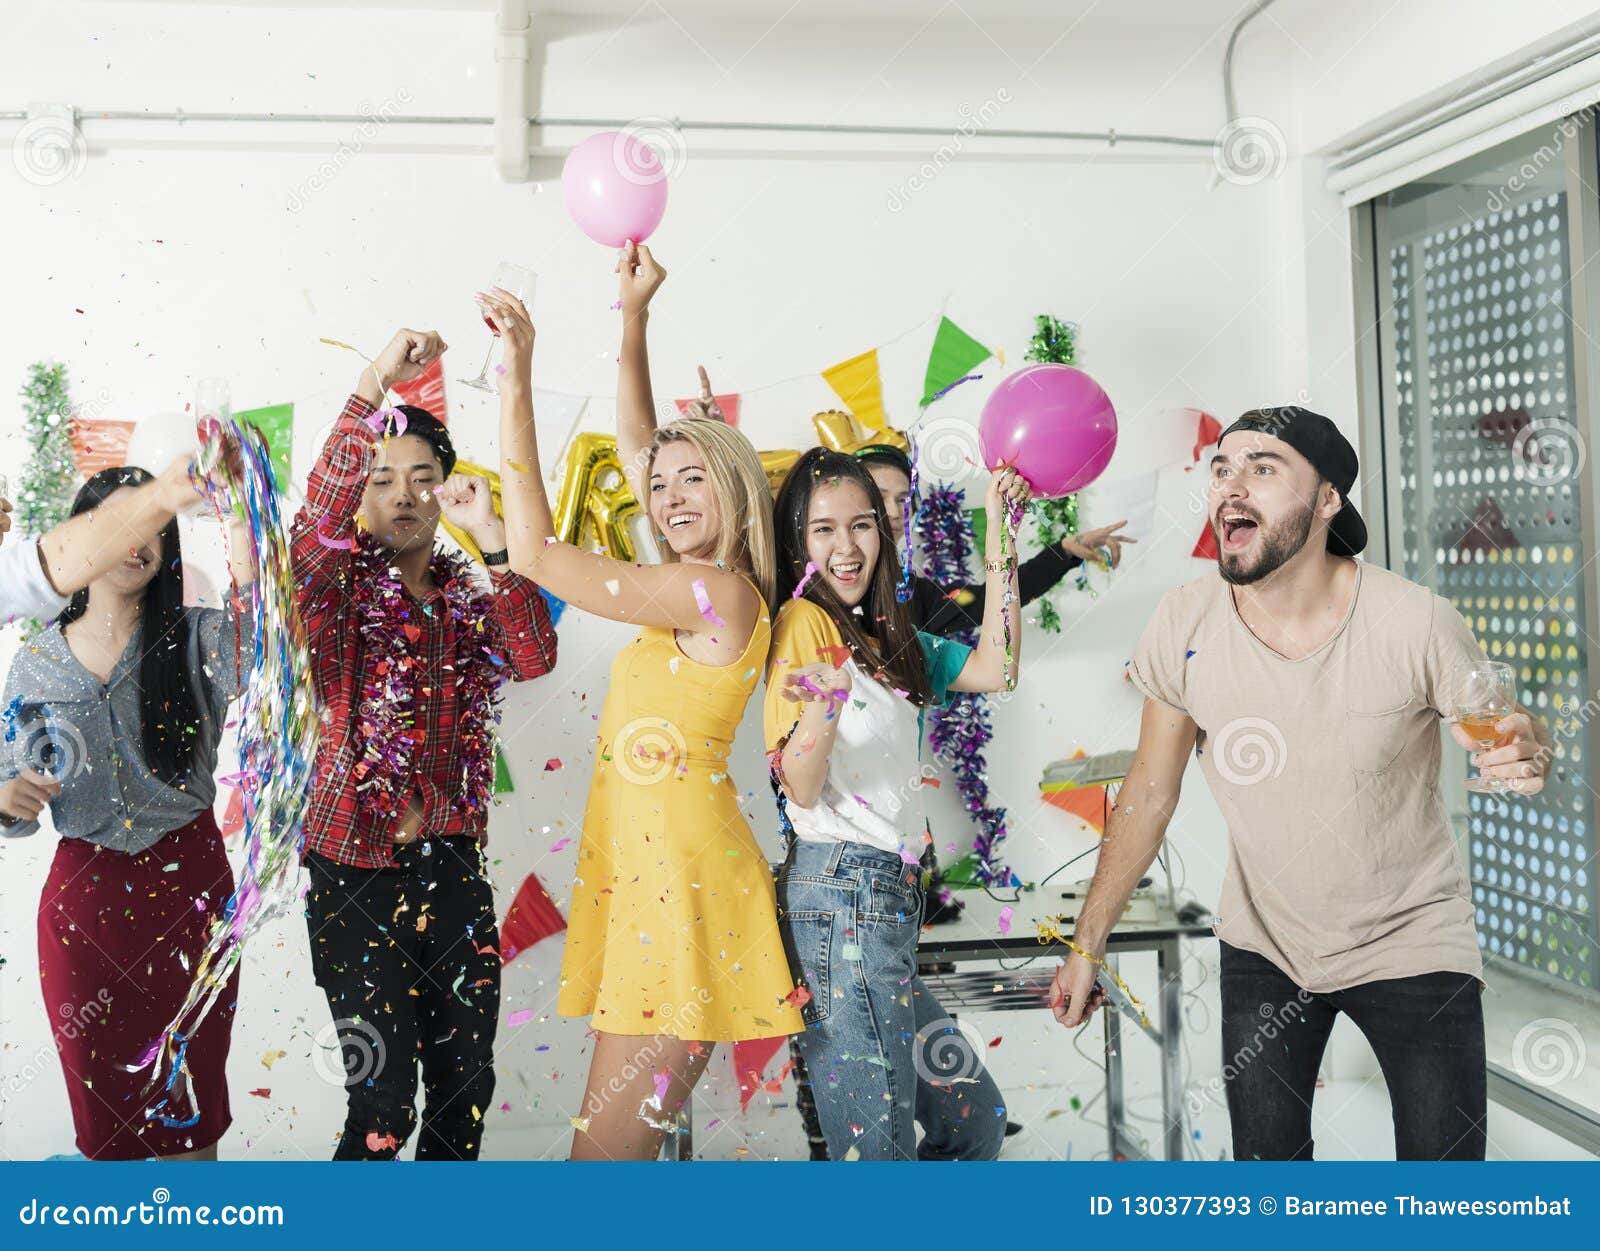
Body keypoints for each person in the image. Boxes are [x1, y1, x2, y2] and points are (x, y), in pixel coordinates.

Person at [1048, 407, 1551, 1161]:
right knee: (1269, 1189)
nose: (1230, 485)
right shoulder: (1185, 621)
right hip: (1267, 944)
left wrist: (1528, 747)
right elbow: (1150, 794)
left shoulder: (1417, 622)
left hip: (1414, 941)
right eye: (1222, 467)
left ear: (1326, 501)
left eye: (1262, 467)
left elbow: (1503, 722)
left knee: (1451, 1197)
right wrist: (1086, 946)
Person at [487, 243, 804, 1162]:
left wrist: (517, 380)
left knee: (602, 1169)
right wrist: (634, 317)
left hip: (686, 889)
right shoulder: (693, 582)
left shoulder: (719, 594)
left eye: (689, 481)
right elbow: (641, 445)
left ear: (735, 486)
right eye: (655, 488)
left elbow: (538, 554)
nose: (664, 499)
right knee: (613, 1163)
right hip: (650, 875)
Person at [291, 328, 558, 1162]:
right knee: (381, 1106)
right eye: (382, 479)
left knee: (464, 1095)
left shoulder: (467, 600)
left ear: (444, 491)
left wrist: (501, 544)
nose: (404, 495)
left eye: (422, 479)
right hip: (354, 876)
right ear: (360, 495)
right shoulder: (327, 589)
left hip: (454, 871)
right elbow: (314, 519)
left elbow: (534, 655)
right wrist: (373, 382)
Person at [764, 445, 1029, 1161]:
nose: (846, 547)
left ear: (884, 533)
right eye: (823, 530)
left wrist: (1004, 541)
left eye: (862, 525)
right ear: (798, 541)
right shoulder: (802, 629)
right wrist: (823, 705)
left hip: (885, 904)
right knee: (875, 1150)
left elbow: (997, 667)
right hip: (841, 894)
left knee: (974, 1119)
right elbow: (801, 785)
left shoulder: (894, 639)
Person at [0, 465, 254, 1160]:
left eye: (154, 525)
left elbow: (270, 653)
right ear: (86, 538)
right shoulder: (34, 665)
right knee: (108, 1130)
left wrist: (239, 518)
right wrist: (4, 799)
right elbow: (12, 803)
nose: (138, 539)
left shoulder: (202, 639)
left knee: (190, 1112)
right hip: (85, 907)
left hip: (192, 894)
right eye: (120, 521)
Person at [855, 441, 1132, 636]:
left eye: (903, 500)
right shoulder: (817, 579)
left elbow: (989, 600)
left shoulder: (911, 594)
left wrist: (1063, 552)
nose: (893, 511)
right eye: (880, 496)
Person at [0, 456, 204, 627]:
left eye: (148, 525)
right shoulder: (40, 660)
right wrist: (161, 497)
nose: (134, 541)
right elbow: (48, 563)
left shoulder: (195, 635)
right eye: (115, 524)